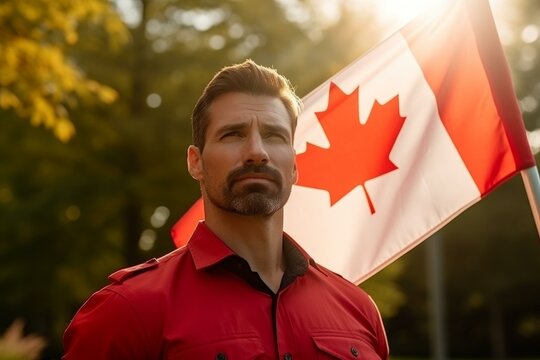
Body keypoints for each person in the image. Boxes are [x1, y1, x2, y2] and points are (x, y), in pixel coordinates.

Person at [63, 60, 389, 359]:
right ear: (196, 162)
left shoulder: (358, 310)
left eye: (274, 135)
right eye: (233, 134)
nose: (257, 152)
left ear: (294, 166)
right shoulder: (128, 310)